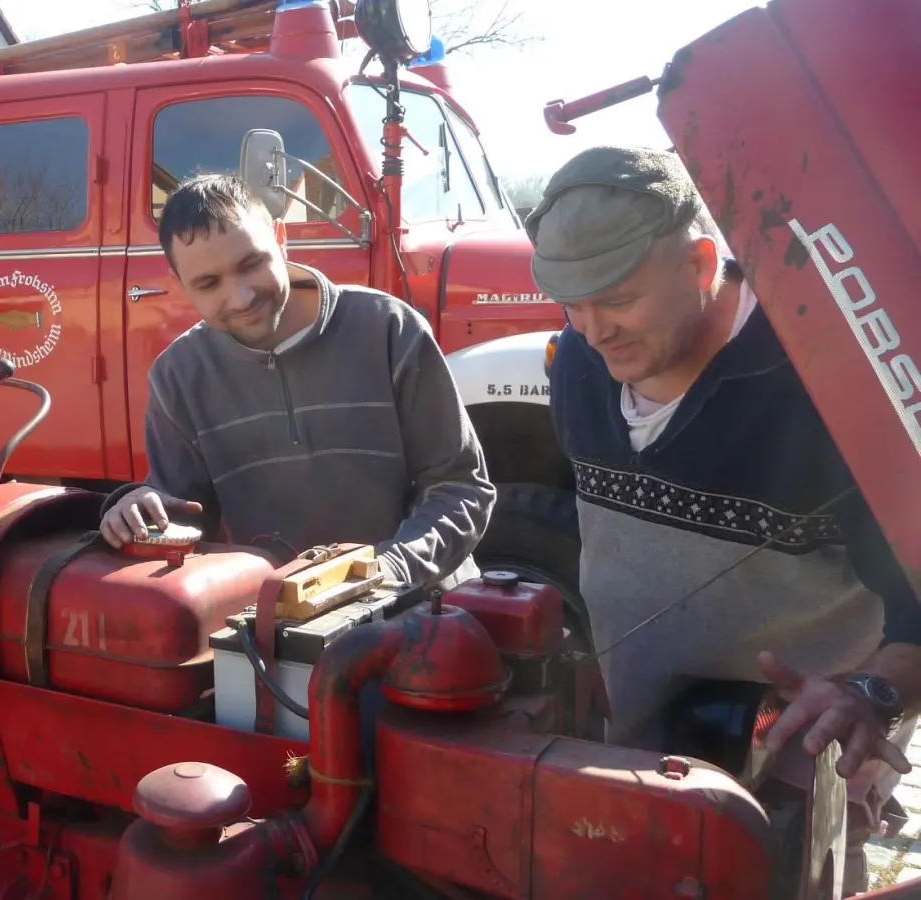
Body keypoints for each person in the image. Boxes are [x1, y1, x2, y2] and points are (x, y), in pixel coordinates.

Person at [531, 144, 921, 895]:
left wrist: (870, 695)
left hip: (791, 787)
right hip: (631, 761)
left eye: (614, 297)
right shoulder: (581, 362)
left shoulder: (827, 382)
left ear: (702, 263)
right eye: (570, 304)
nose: (591, 330)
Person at [98, 173, 494, 597]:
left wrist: (385, 571)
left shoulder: (388, 330)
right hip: (277, 634)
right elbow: (184, 517)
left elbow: (460, 488)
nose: (241, 296)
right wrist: (137, 512)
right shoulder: (177, 376)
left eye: (251, 263)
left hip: (421, 612)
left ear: (281, 237)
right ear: (181, 286)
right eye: (209, 284)